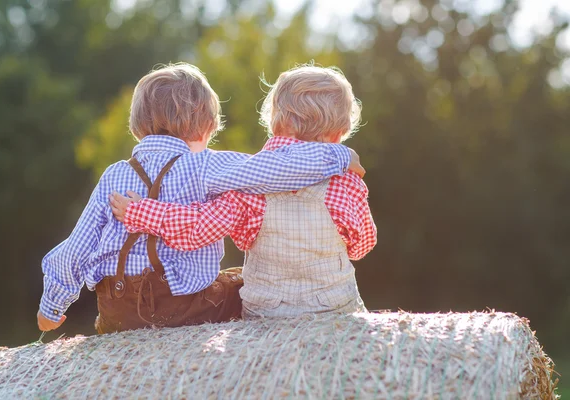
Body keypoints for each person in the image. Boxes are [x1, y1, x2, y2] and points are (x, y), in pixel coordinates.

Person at [37, 63, 363, 333]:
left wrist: (52, 306)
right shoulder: (207, 165)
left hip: (117, 310)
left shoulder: (113, 176)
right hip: (182, 305)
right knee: (239, 284)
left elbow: (76, 247)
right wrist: (339, 157)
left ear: (136, 126)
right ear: (207, 127)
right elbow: (275, 168)